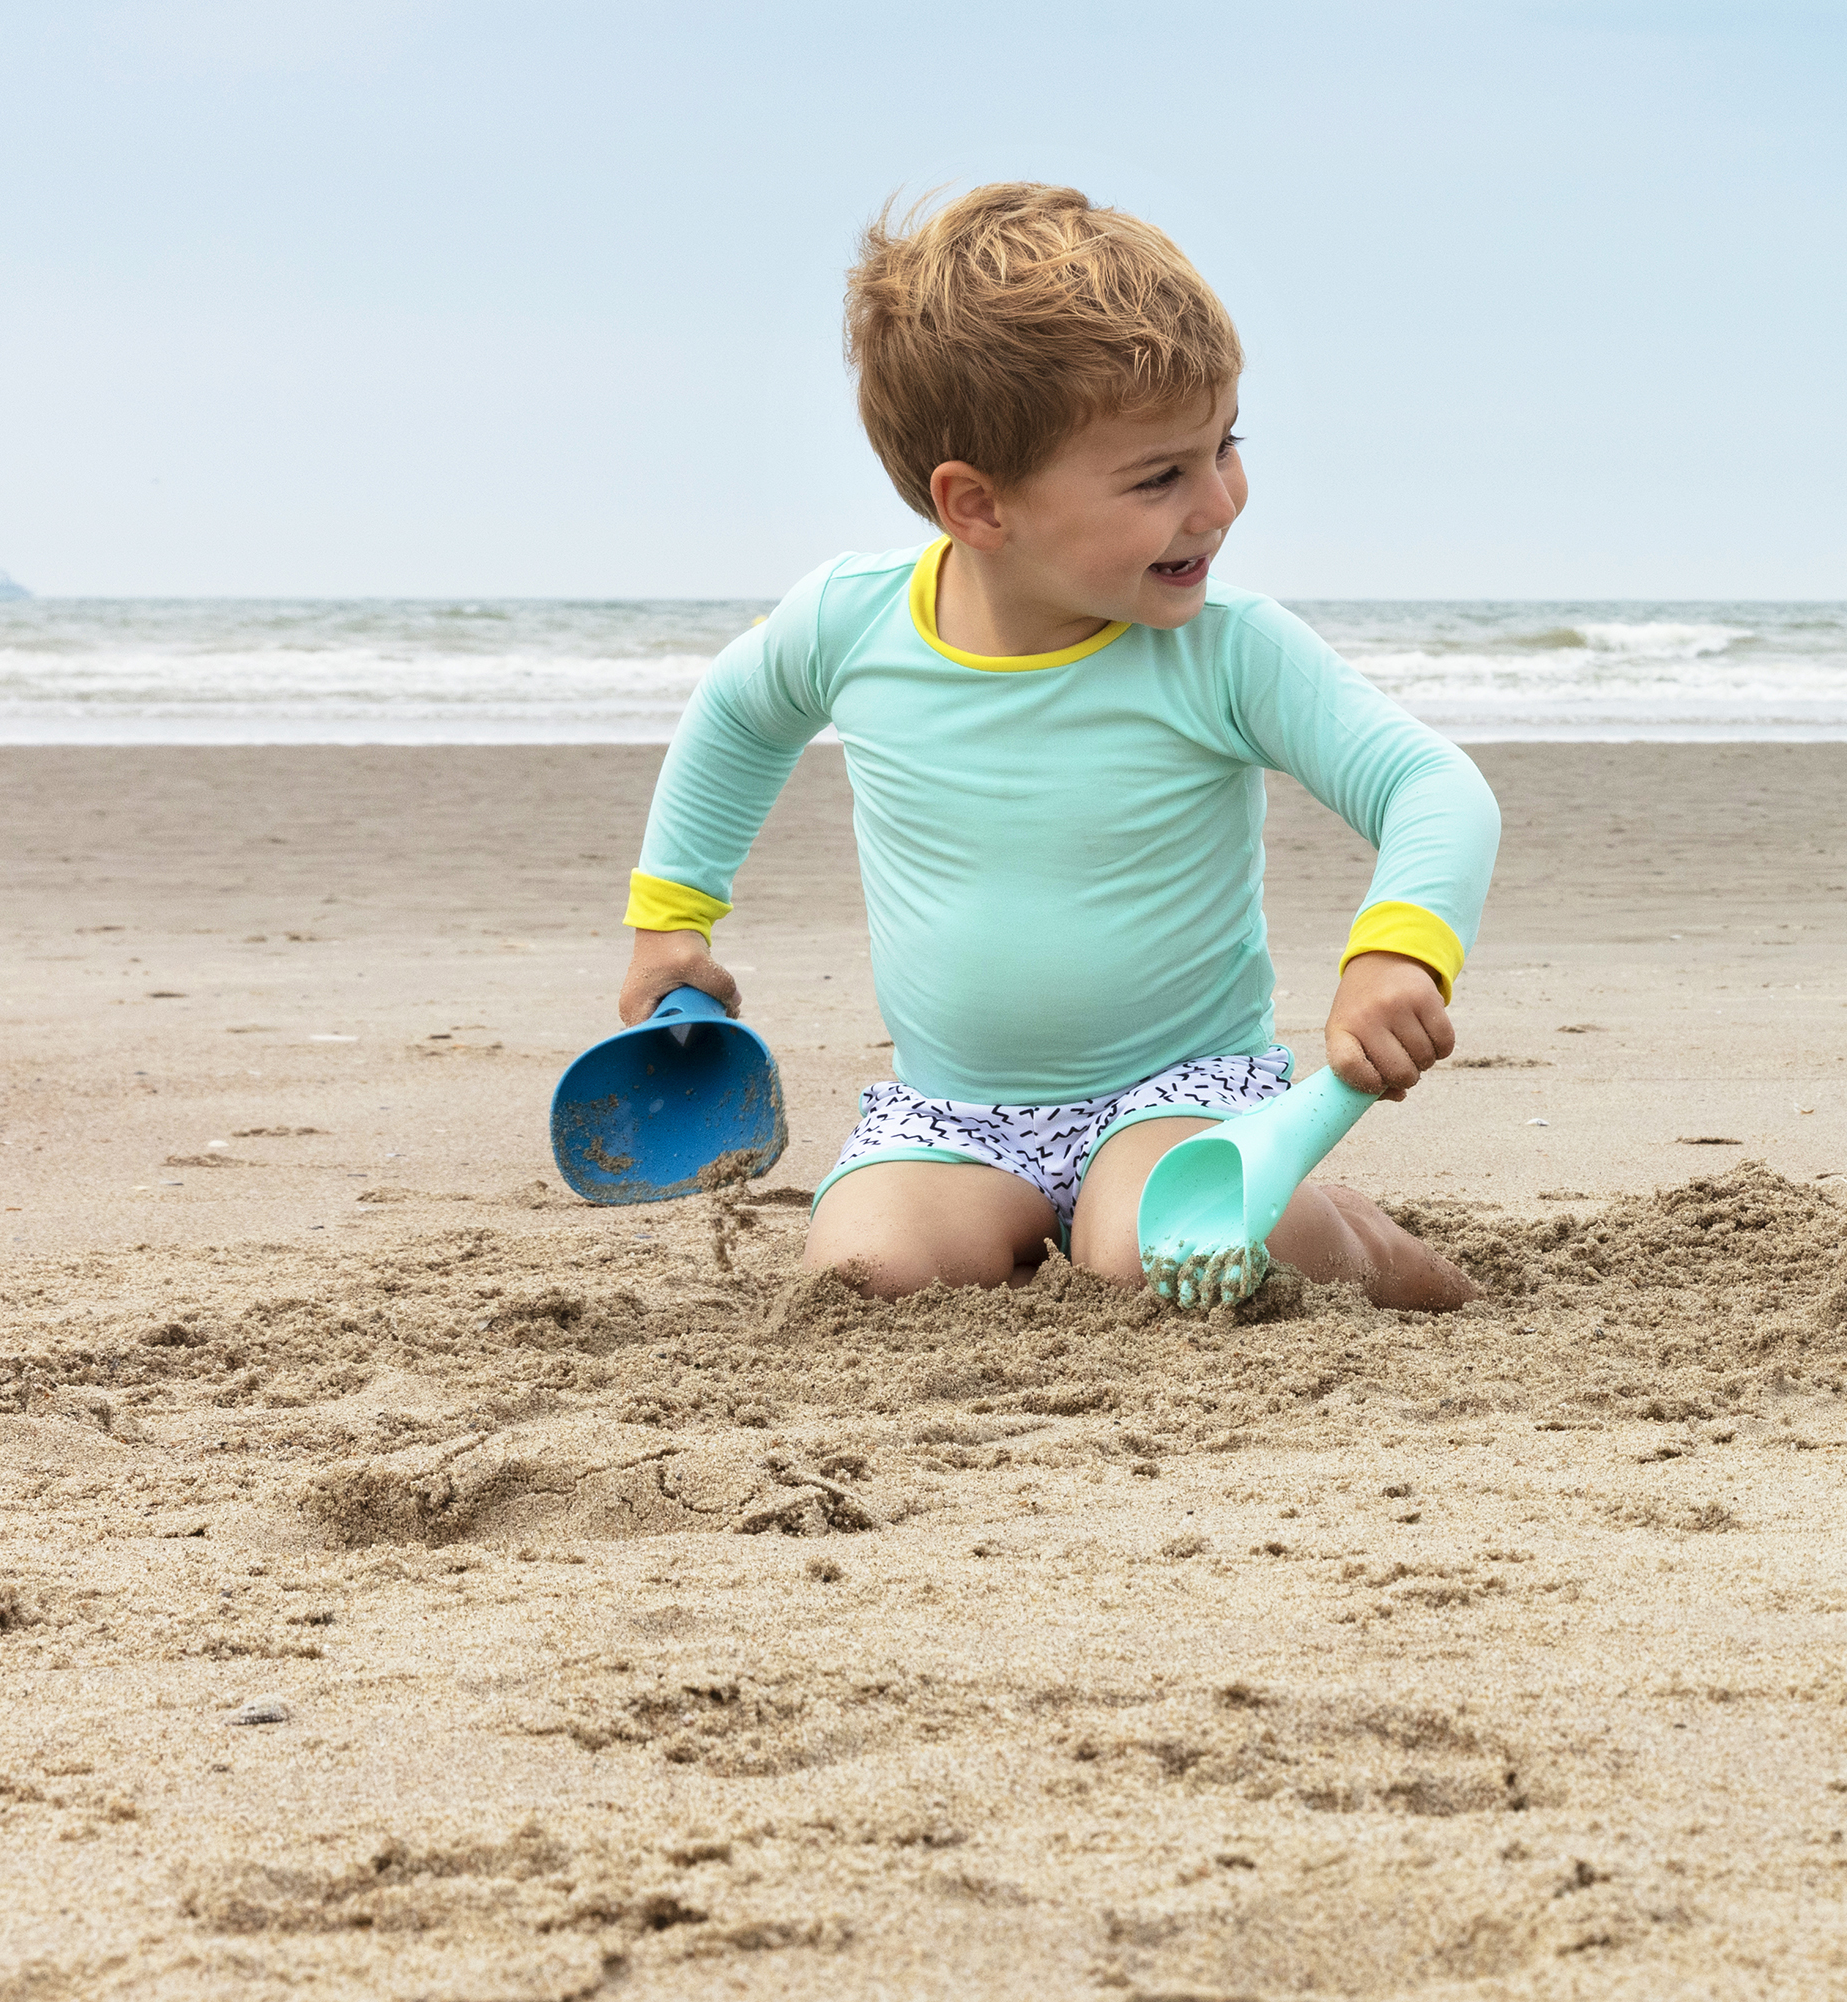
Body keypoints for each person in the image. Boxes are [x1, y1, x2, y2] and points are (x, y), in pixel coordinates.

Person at [609, 185, 1487, 1307]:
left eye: (1225, 447)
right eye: (1158, 477)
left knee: (1152, 1259)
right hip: (956, 1109)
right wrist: (671, 922)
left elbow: (1432, 785)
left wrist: (1397, 951)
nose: (1218, 502)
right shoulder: (851, 624)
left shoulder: (1227, 654)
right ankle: (1041, 1221)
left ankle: (1370, 1247)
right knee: (869, 1273)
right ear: (977, 507)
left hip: (1183, 1092)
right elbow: (736, 717)